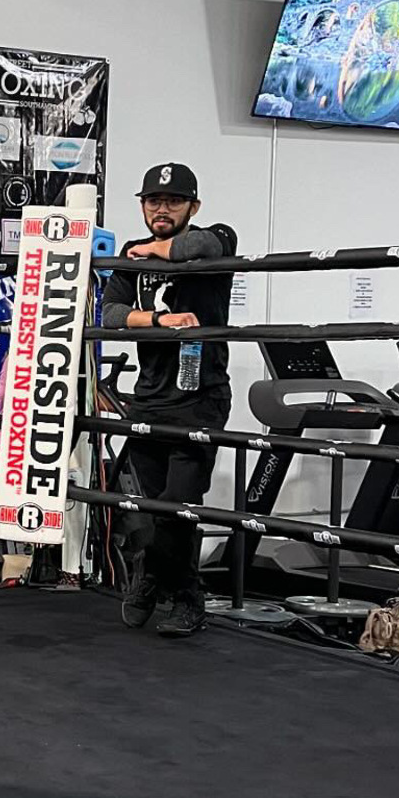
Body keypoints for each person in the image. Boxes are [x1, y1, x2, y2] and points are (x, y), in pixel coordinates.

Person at [101, 163, 237, 638]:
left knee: (181, 503)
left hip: (200, 398)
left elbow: (196, 247)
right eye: (153, 201)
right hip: (150, 398)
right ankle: (163, 579)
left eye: (173, 202)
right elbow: (112, 312)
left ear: (192, 207)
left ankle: (177, 590)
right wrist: (161, 321)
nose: (161, 209)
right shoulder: (128, 256)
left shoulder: (218, 237)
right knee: (153, 506)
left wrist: (154, 252)